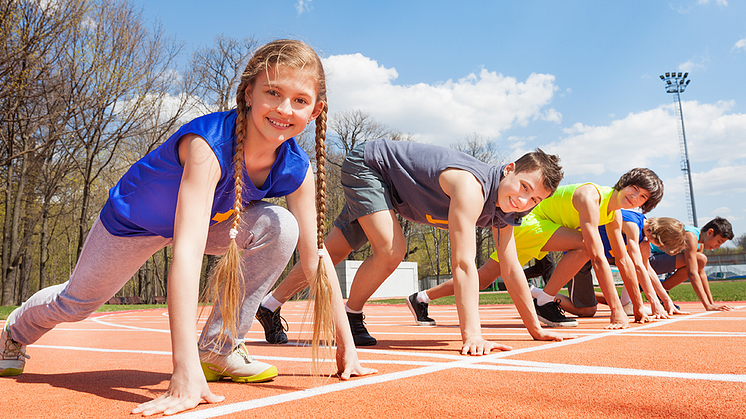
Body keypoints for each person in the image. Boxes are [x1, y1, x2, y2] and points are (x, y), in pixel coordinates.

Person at [0, 39, 374, 417]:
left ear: (315, 110)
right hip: (134, 222)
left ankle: (218, 348)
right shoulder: (207, 145)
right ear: (248, 93)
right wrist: (181, 372)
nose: (283, 109)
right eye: (272, 92)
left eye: (299, 100)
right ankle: (14, 332)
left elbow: (315, 255)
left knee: (281, 227)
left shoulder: (296, 168)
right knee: (76, 304)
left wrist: (347, 344)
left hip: (213, 224)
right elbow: (188, 250)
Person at [255, 140, 571, 355]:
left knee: (333, 251)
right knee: (392, 250)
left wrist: (535, 328)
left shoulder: (509, 212)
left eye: (535, 200)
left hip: (392, 191)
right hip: (370, 167)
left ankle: (268, 305)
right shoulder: (471, 187)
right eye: (524, 187)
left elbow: (512, 267)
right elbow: (463, 264)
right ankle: (351, 315)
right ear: (509, 169)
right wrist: (472, 334)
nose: (523, 201)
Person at [421, 168, 664, 330]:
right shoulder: (591, 197)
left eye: (642, 197)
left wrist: (639, 306)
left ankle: (421, 297)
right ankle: (545, 300)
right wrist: (617, 311)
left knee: (483, 279)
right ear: (624, 183)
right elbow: (599, 258)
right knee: (585, 246)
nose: (635, 197)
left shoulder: (615, 215)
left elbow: (623, 260)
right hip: (531, 221)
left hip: (547, 227)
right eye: (634, 189)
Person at [566, 211, 687, 319]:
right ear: (660, 235)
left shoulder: (643, 240)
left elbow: (647, 269)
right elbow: (637, 266)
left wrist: (666, 301)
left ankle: (549, 296)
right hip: (578, 254)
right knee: (586, 311)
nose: (659, 247)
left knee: (588, 309)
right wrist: (654, 303)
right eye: (662, 244)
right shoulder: (632, 224)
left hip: (594, 257)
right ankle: (548, 296)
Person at [649, 216, 735, 311]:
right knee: (700, 259)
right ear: (710, 232)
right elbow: (692, 273)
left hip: (656, 260)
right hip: (647, 259)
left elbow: (701, 273)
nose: (718, 246)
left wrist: (711, 303)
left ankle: (661, 292)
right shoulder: (690, 236)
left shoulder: (699, 243)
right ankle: (660, 291)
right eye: (719, 242)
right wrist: (707, 305)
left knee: (700, 261)